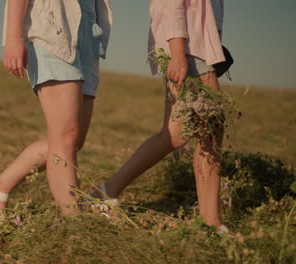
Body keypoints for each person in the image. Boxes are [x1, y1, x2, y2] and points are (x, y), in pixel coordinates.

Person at [0, 0, 113, 221]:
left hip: (87, 29)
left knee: (73, 141)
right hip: (52, 27)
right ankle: (76, 225)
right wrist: (13, 36)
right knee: (65, 139)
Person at [93, 0, 229, 231]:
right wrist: (177, 54)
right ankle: (211, 224)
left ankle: (105, 191)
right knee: (210, 133)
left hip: (196, 48)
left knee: (174, 134)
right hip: (189, 48)